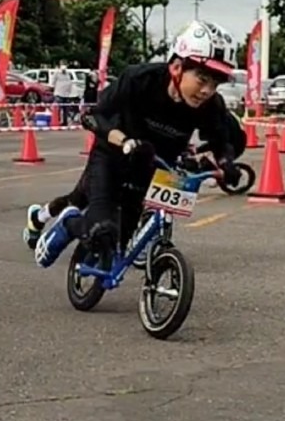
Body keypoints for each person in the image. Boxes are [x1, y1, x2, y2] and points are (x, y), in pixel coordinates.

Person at [30, 19, 242, 269]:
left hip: (152, 168)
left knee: (118, 242)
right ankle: (68, 223)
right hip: (112, 157)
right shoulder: (140, 79)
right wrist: (126, 141)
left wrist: (226, 164)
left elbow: (223, 141)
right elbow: (92, 116)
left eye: (214, 84)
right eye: (202, 79)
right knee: (100, 229)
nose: (207, 91)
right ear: (176, 67)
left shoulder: (211, 106)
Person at [22, 106, 248, 250]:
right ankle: (39, 216)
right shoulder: (150, 99)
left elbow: (221, 146)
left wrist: (219, 164)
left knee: (143, 201)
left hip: (155, 162)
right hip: (121, 154)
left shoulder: (214, 119)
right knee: (79, 199)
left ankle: (138, 239)